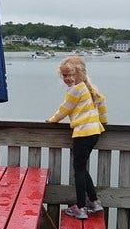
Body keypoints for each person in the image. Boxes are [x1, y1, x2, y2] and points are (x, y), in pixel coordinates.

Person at [46, 56, 107, 220]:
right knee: (82, 168)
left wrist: (53, 120)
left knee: (78, 170)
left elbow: (65, 109)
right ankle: (94, 201)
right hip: (94, 132)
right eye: (65, 76)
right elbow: (102, 104)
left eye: (70, 75)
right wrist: (103, 122)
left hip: (83, 132)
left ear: (80, 73)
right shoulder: (89, 88)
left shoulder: (75, 90)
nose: (67, 79)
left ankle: (80, 207)